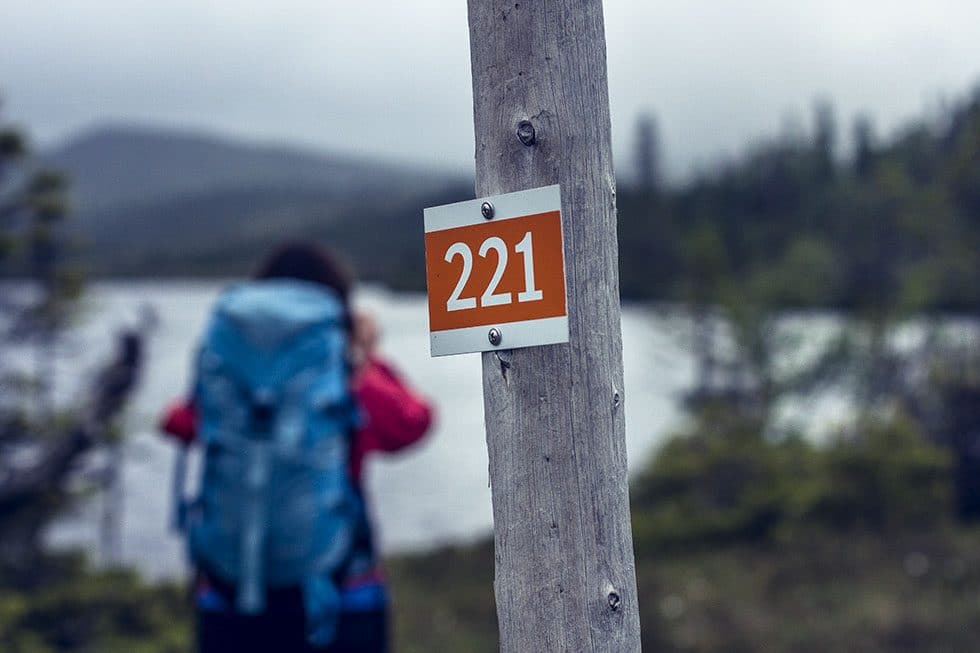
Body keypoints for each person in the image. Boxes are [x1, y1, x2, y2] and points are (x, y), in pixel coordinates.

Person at [160, 242, 433, 653]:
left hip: (227, 591)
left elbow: (177, 422)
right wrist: (363, 356)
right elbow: (411, 423)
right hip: (338, 595)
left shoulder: (230, 375)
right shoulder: (341, 372)